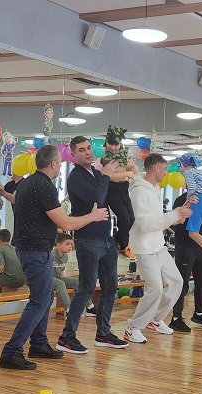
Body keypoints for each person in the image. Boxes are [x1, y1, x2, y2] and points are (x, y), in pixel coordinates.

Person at [0, 145, 110, 370]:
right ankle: (11, 351)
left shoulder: (28, 182)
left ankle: (38, 343)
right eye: (60, 162)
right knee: (40, 300)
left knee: (46, 296)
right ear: (53, 164)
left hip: (35, 249)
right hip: (34, 250)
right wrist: (93, 216)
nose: (60, 166)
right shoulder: (43, 186)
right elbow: (66, 223)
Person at [56, 136, 128, 355]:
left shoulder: (96, 174)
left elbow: (109, 196)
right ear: (73, 155)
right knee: (87, 287)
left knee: (110, 287)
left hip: (106, 239)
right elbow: (98, 196)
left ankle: (103, 333)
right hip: (87, 240)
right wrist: (107, 176)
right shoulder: (76, 177)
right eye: (81, 150)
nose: (87, 152)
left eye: (88, 148)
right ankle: (66, 337)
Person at [124, 153, 192, 344]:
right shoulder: (139, 191)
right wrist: (173, 215)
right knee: (155, 289)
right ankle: (133, 327)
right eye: (164, 169)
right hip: (144, 247)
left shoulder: (154, 188)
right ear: (156, 168)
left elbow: (156, 218)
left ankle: (155, 319)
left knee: (177, 282)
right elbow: (144, 224)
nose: (166, 172)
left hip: (158, 245)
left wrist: (174, 217)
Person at [168, 192, 202, 333]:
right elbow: (178, 222)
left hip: (201, 245)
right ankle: (176, 317)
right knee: (182, 283)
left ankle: (199, 313)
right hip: (185, 245)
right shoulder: (181, 199)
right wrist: (189, 204)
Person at [100, 125, 138, 260]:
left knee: (131, 219)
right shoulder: (106, 157)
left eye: (116, 145)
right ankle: (123, 245)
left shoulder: (121, 153)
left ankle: (117, 241)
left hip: (123, 188)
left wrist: (132, 167)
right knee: (124, 218)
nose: (113, 148)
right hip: (113, 189)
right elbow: (110, 175)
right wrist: (127, 173)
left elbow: (123, 166)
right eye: (110, 144)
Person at [52, 232, 94, 314]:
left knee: (77, 282)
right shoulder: (51, 255)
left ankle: (90, 307)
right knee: (60, 283)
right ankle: (68, 309)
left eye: (71, 244)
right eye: (67, 244)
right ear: (59, 245)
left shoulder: (65, 256)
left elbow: (61, 272)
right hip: (46, 279)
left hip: (56, 278)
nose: (70, 246)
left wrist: (66, 281)